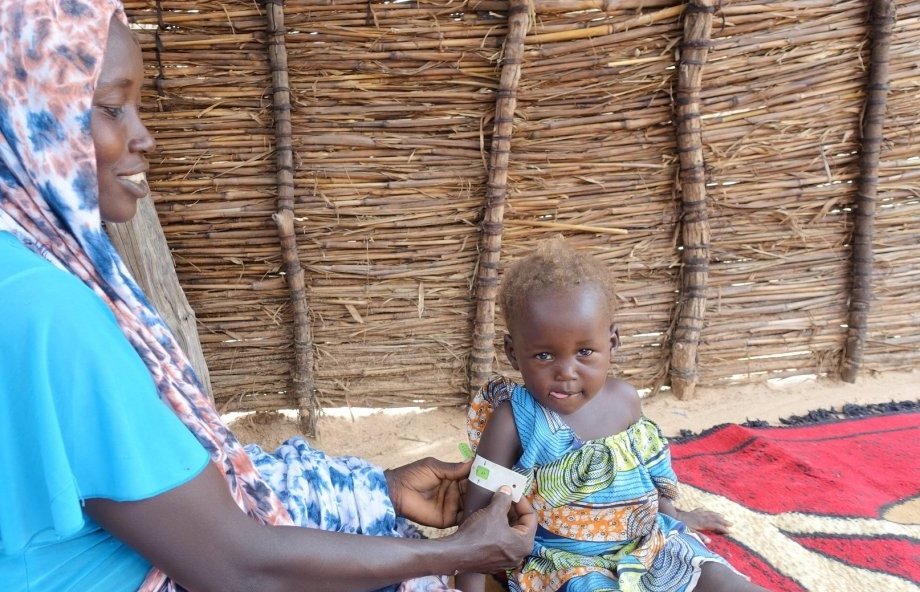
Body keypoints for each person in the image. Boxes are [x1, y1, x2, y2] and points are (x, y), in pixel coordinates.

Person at [0, 2, 536, 591]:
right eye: (110, 107)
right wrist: (456, 553)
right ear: (28, 113)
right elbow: (237, 568)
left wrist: (375, 491)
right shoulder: (48, 312)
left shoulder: (22, 273)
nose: (144, 136)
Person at [458, 238, 767, 592]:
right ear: (513, 353)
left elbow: (652, 468)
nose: (566, 372)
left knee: (724, 581)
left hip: (648, 543)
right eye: (544, 356)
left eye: (585, 352)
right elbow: (478, 517)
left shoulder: (624, 400)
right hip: (567, 564)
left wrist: (677, 516)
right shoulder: (512, 421)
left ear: (613, 343)